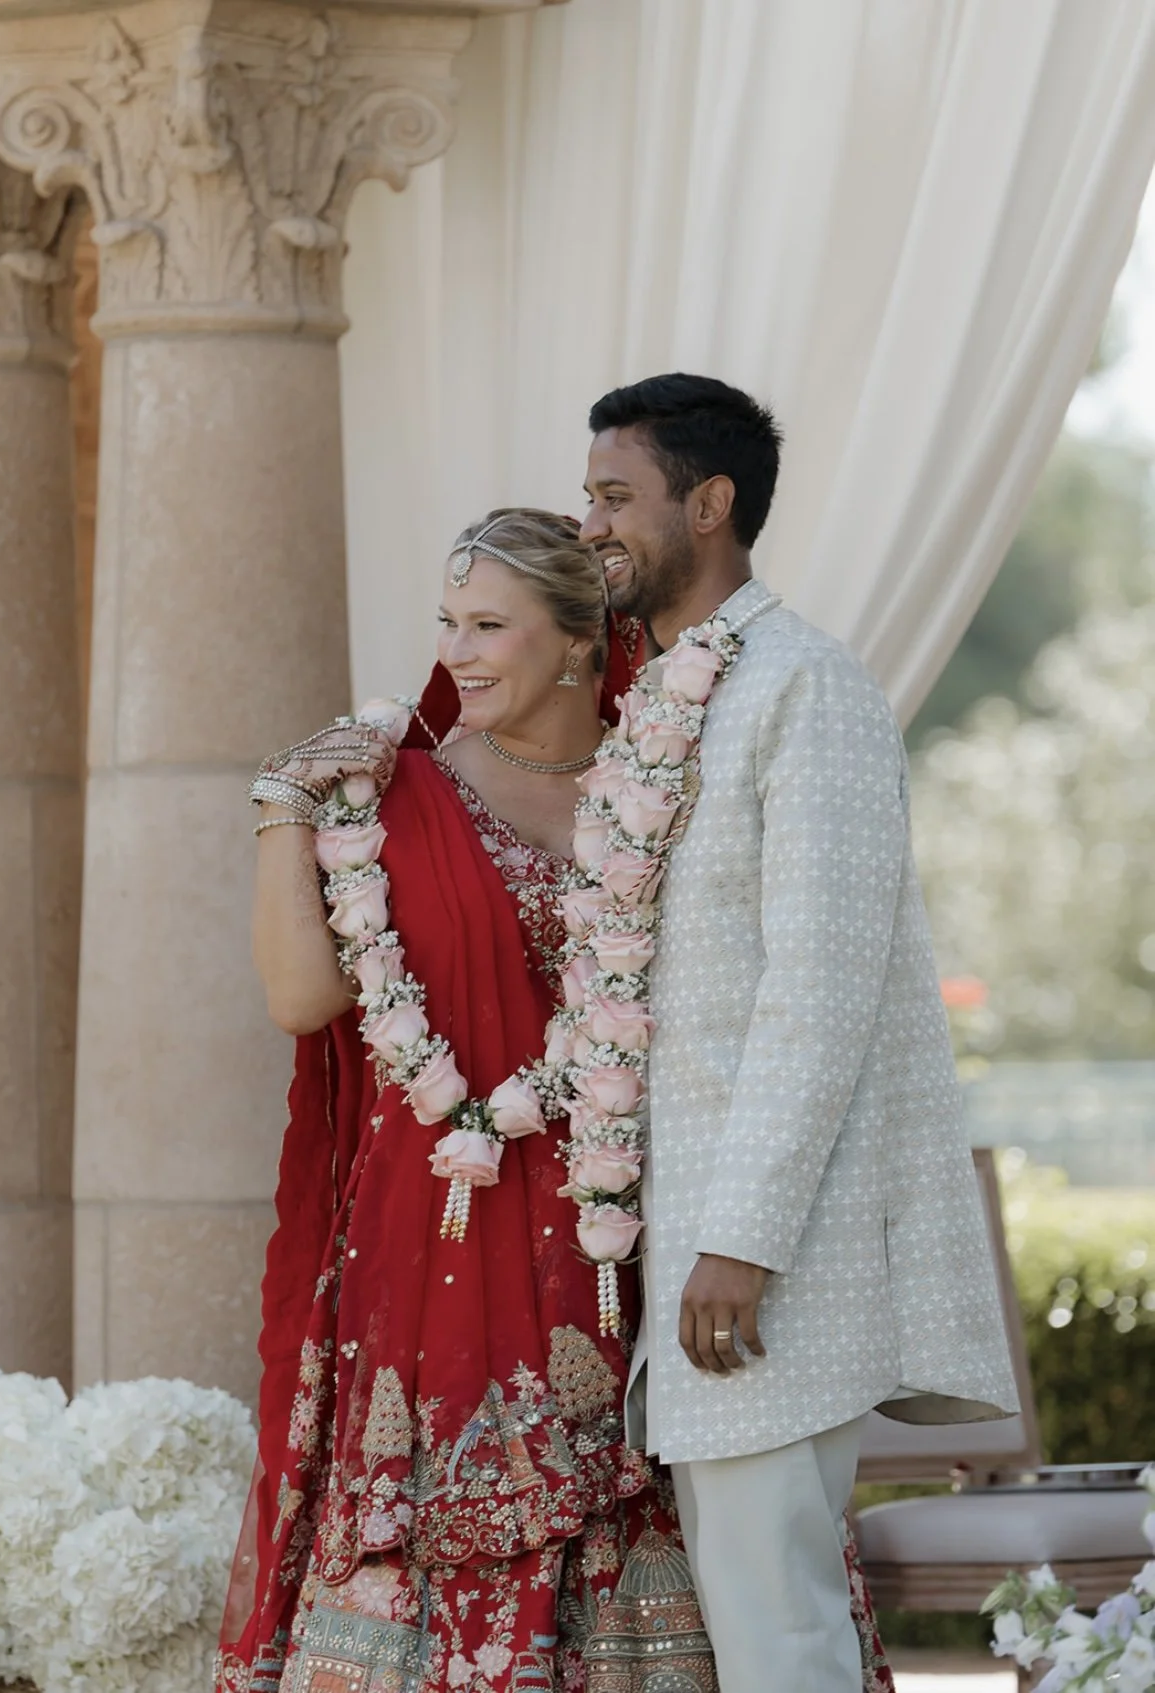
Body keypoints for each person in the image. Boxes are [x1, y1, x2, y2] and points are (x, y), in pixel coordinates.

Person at [216, 508, 896, 1693]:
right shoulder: (389, 795)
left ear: (583, 644)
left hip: (633, 1226)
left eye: (491, 624)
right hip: (432, 1247)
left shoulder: (673, 792)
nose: (460, 651)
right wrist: (285, 804)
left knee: (687, 1532)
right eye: (449, 623)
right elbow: (300, 995)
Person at [578, 373, 1020, 1693]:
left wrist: (737, 1242)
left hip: (770, 1270)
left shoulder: (803, 689)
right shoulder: (668, 701)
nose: (587, 521)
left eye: (614, 495)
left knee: (779, 1631)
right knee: (751, 1619)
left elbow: (817, 991)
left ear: (705, 505)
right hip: (695, 1267)